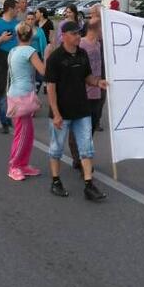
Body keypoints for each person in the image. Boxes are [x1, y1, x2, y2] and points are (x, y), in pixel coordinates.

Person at [44, 20, 109, 202]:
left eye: (79, 33)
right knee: (56, 148)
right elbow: (50, 87)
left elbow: (87, 76)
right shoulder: (55, 58)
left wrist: (97, 82)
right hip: (62, 112)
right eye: (74, 33)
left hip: (82, 110)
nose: (78, 36)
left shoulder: (82, 53)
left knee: (87, 148)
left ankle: (89, 185)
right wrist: (56, 113)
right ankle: (56, 181)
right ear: (64, 36)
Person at [6, 22, 47, 181]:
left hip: (16, 93)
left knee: (27, 133)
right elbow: (43, 71)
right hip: (22, 96)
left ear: (18, 36)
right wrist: (48, 54)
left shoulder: (13, 50)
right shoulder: (30, 51)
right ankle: (14, 166)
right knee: (22, 134)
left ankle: (22, 164)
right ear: (32, 36)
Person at [68, 6, 105, 166]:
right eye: (102, 27)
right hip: (81, 93)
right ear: (95, 29)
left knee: (91, 126)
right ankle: (80, 158)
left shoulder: (99, 45)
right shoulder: (81, 45)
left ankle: (83, 153)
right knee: (79, 127)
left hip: (97, 92)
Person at [0, 0, 20, 133]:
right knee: (3, 91)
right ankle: (4, 122)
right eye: (17, 8)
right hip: (2, 57)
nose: (18, 11)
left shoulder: (18, 23)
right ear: (10, 9)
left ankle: (10, 117)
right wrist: (1, 39)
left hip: (16, 57)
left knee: (14, 91)